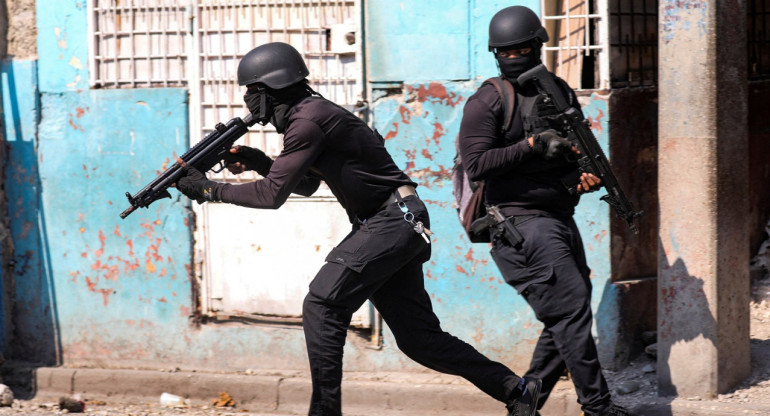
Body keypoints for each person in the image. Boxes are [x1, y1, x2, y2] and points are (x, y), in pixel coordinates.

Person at [174, 41, 541, 416]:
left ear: (271, 89)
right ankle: (517, 389)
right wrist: (257, 160)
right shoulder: (312, 116)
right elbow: (305, 185)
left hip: (393, 220)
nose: (249, 101)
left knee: (322, 304)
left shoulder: (307, 122)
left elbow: (272, 197)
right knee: (419, 340)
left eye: (252, 91)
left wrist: (207, 189)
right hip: (394, 221)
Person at [458, 6, 637, 416]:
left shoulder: (557, 91)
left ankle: (527, 401)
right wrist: (531, 146)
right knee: (572, 310)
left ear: (539, 46)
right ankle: (597, 406)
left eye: (523, 48)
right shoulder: (488, 100)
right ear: (496, 55)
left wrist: (583, 177)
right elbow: (477, 164)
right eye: (508, 51)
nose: (516, 56)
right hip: (519, 224)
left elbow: (577, 153)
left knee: (567, 314)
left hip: (558, 217)